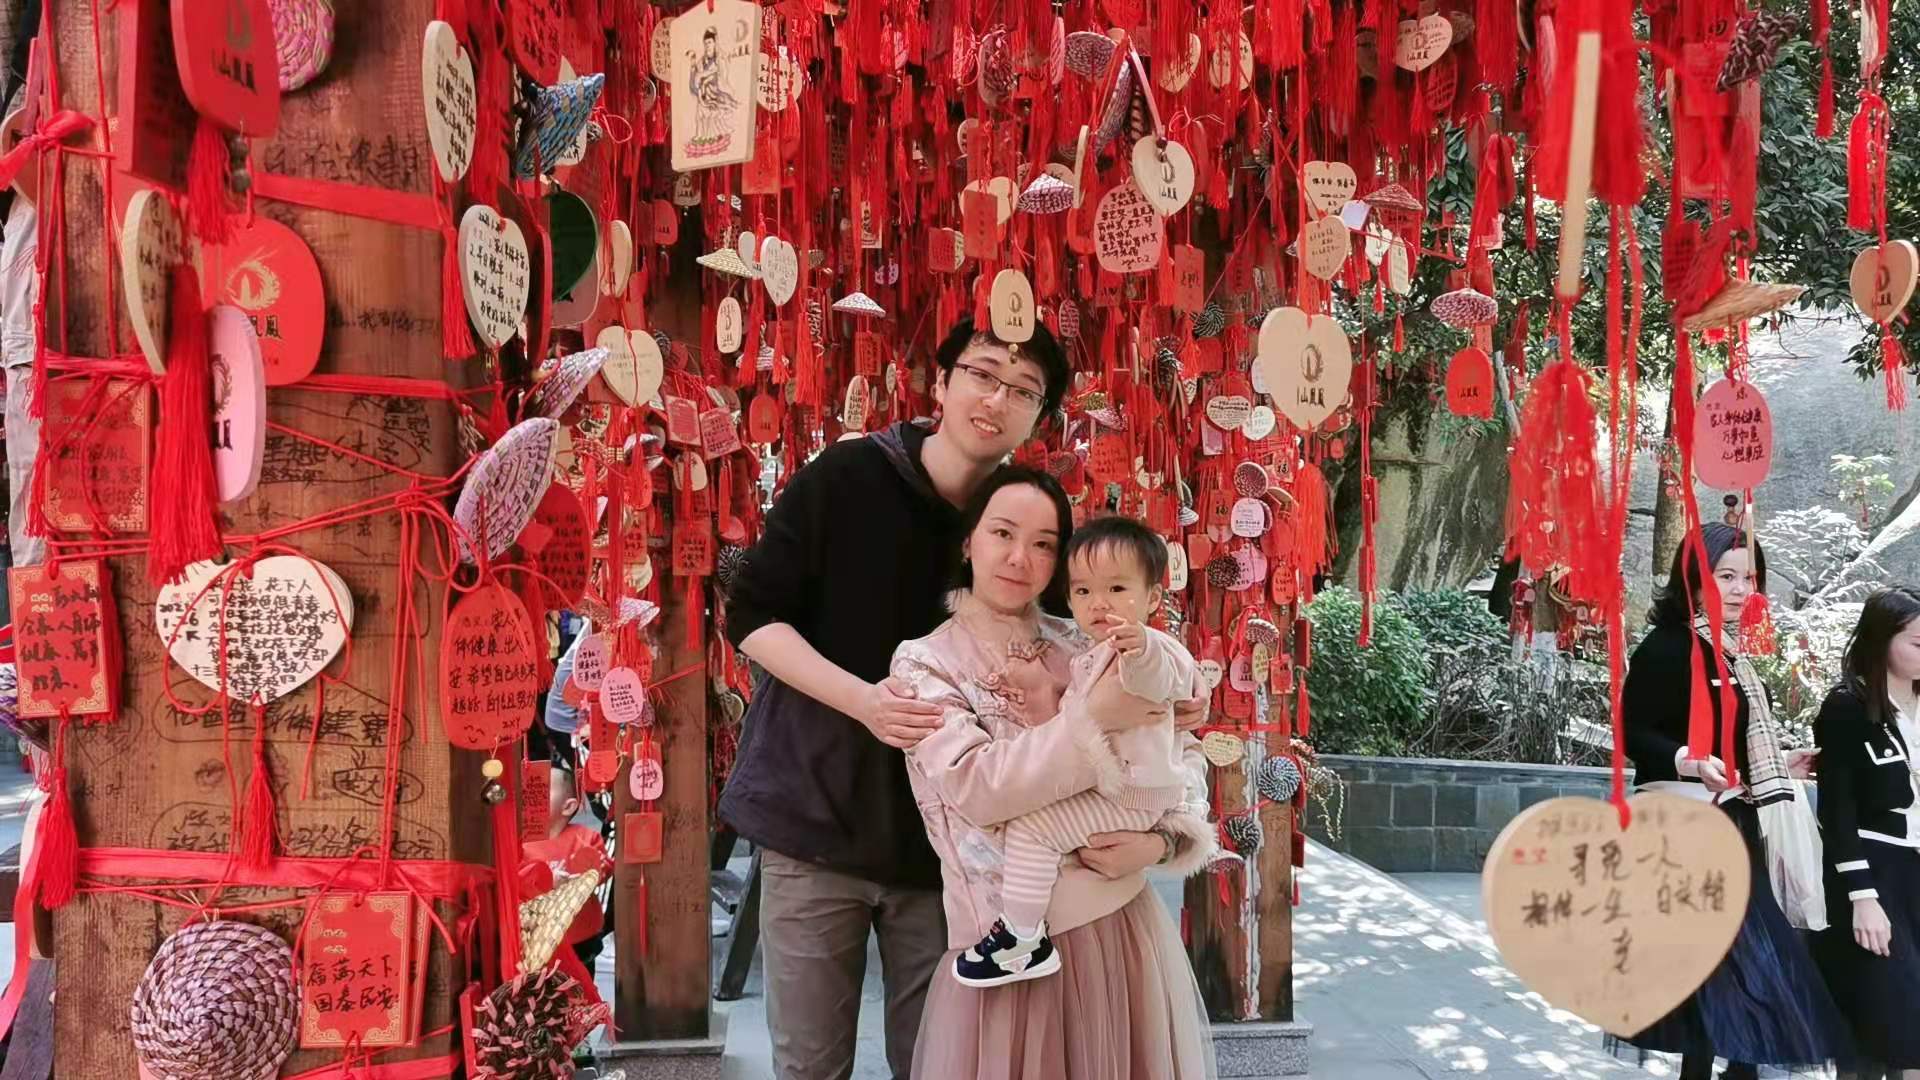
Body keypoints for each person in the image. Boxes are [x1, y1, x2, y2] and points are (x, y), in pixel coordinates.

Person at [721, 318, 1199, 1079]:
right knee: (809, 1062)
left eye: (1023, 390)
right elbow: (750, 615)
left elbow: (1145, 723)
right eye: (981, 374)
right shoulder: (846, 478)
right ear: (939, 384)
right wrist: (866, 702)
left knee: (944, 1060)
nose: (996, 398)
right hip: (817, 812)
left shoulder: (1030, 533)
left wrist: (1164, 823)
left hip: (947, 857)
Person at [891, 469, 1216, 1079]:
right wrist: (1093, 719)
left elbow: (1180, 754)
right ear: (969, 542)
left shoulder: (1091, 640)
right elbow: (978, 790)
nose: (1021, 558)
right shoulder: (926, 661)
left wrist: (1162, 840)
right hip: (1010, 943)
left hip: (1121, 923)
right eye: (1002, 533)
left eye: (1043, 543)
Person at [1618, 522, 1845, 1079]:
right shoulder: (1670, 646)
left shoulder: (1735, 656)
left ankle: (1731, 1070)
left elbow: (1735, 743)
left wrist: (1777, 763)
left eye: (1750, 578)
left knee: (1749, 961)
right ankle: (1714, 1071)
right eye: (1727, 576)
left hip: (1738, 820)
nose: (1743, 589)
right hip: (1688, 825)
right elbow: (1635, 729)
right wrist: (1686, 760)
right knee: (1723, 961)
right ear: (1694, 579)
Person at [951, 513, 1216, 989]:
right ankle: (1024, 931)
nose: (1099, 604)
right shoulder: (1088, 651)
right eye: (1084, 592)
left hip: (1131, 795)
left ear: (1153, 597)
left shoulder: (1148, 647)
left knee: (1035, 827)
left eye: (1117, 590)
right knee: (1037, 827)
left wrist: (1141, 652)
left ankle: (1022, 936)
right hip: (1122, 791)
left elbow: (1157, 679)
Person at [1814, 586, 1920, 1079]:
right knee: (1878, 1011)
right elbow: (1837, 811)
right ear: (1881, 641)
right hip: (1875, 871)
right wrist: (1862, 896)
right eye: (1919, 643)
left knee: (1910, 1020)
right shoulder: (1847, 707)